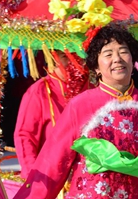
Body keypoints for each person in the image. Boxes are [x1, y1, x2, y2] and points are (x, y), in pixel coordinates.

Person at [14, 24, 138, 199]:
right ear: (97, 68)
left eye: (123, 52)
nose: (117, 59)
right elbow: (53, 161)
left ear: (132, 60)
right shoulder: (80, 105)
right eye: (108, 54)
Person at [14, 50, 90, 179]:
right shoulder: (39, 91)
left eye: (77, 55)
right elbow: (25, 135)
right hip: (52, 178)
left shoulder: (93, 87)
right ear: (52, 59)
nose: (73, 61)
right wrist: (33, 176)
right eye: (65, 56)